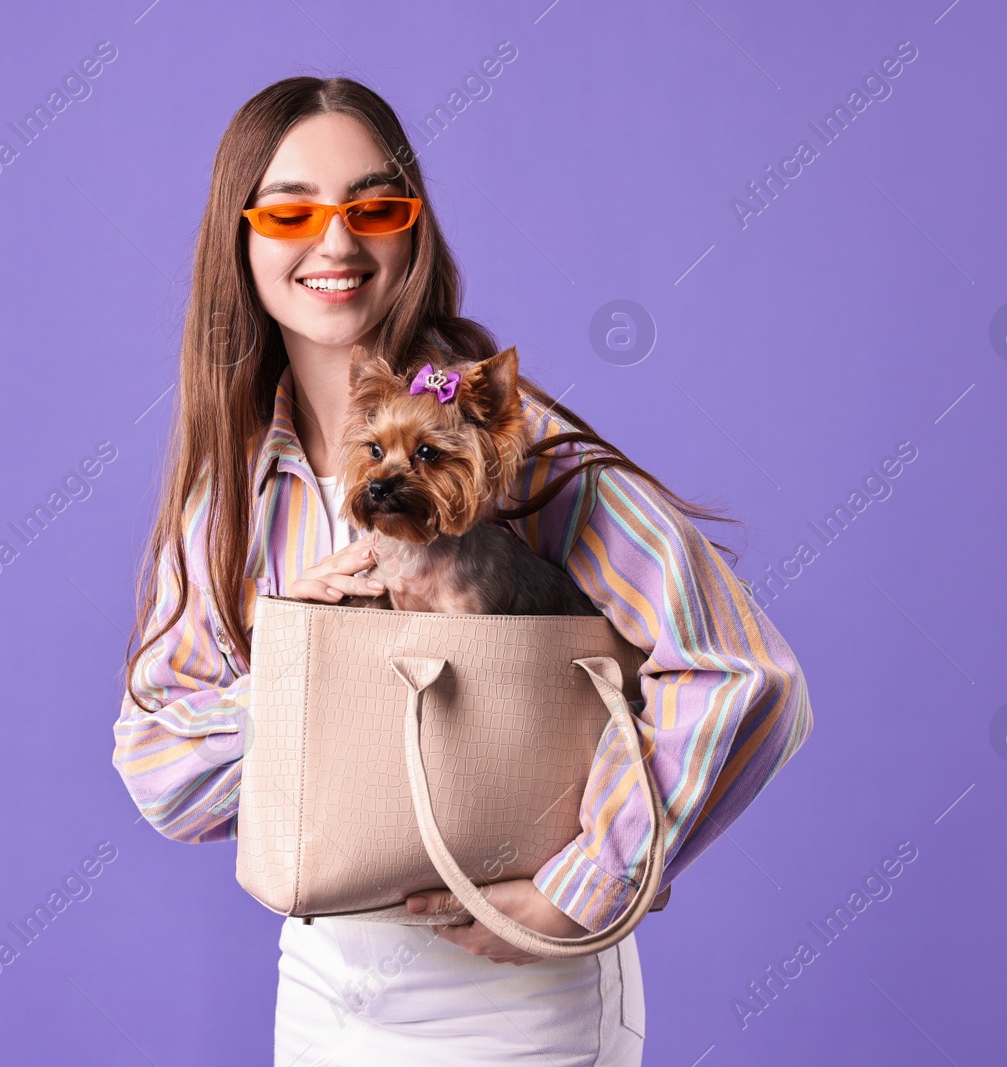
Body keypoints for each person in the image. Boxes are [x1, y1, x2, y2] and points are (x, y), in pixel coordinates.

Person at [112, 76, 814, 1066]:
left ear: (417, 232)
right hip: (321, 989)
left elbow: (744, 672)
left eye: (375, 206)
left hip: (514, 995)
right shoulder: (230, 499)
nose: (336, 242)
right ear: (241, 240)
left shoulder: (520, 456)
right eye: (290, 209)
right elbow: (160, 767)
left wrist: (581, 891)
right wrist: (296, 672)